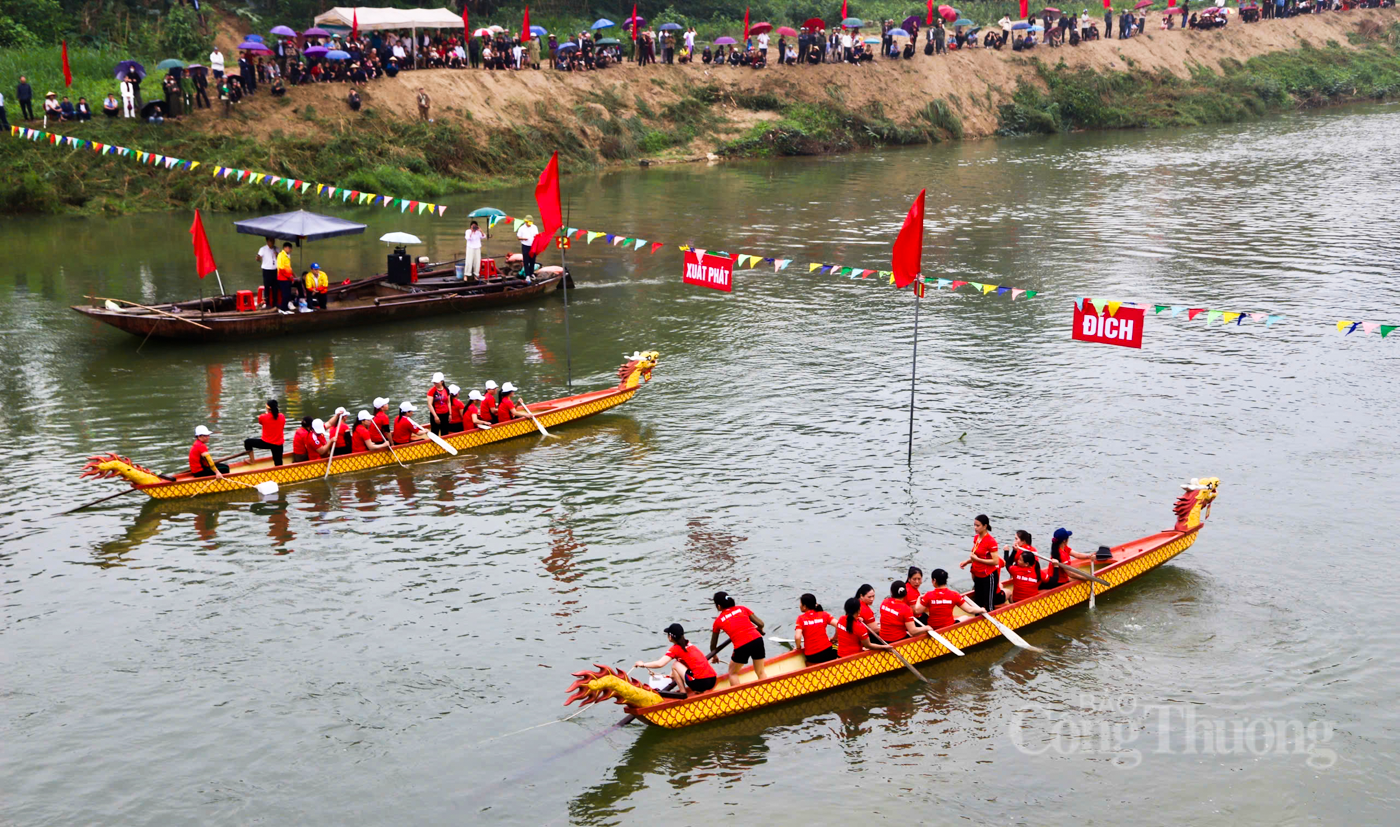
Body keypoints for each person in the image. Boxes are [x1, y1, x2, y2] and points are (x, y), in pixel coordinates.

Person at [636, 624, 717, 697]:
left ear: (670, 637)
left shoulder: (675, 649)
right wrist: (671, 675)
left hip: (700, 683)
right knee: (680, 664)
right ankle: (699, 690)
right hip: (712, 680)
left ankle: (683, 693)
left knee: (675, 664)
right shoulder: (689, 644)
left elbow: (660, 664)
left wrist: (643, 664)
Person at [709, 591, 768, 682]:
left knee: (733, 673)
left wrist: (715, 656)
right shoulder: (742, 608)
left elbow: (713, 644)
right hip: (757, 640)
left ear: (719, 606)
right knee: (760, 671)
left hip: (741, 646)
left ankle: (738, 695)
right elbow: (761, 623)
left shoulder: (718, 621)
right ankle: (767, 690)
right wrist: (759, 628)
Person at [959, 514, 1003, 611]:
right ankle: (977, 620)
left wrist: (978, 560)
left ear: (985, 526)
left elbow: (995, 561)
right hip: (978, 574)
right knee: (978, 602)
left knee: (989, 603)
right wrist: (967, 562)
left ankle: (991, 621)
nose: (975, 528)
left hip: (989, 575)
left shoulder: (991, 541)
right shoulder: (976, 538)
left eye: (978, 525)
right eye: (974, 525)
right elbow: (976, 555)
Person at [794, 593, 838, 665]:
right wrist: (835, 638)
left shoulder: (800, 618)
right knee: (840, 648)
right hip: (828, 653)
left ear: (804, 606)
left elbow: (798, 637)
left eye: (800, 603)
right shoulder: (824, 614)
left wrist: (798, 648)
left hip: (811, 656)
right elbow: (839, 625)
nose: (800, 605)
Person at [243, 399, 286, 466]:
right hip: (278, 444)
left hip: (266, 442)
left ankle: (252, 460)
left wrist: (267, 414)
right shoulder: (282, 416)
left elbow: (261, 422)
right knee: (278, 463)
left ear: (268, 408)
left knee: (247, 442)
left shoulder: (263, 417)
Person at [275, 242, 296, 311]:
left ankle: (286, 308)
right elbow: (281, 268)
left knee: (288, 294)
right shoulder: (281, 255)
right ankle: (283, 309)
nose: (290, 250)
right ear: (285, 248)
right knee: (285, 294)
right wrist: (289, 276)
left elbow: (289, 268)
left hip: (287, 278)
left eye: (291, 248)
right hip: (282, 278)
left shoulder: (288, 256)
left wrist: (291, 277)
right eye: (289, 248)